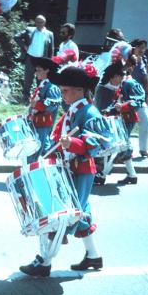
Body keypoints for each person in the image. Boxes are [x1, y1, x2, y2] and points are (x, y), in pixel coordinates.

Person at [20, 64, 109, 277]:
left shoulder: (90, 112)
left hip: (81, 171)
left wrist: (74, 144)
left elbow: (98, 144)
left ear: (80, 90)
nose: (62, 95)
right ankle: (93, 256)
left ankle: (44, 262)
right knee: (80, 212)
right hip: (69, 169)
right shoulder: (73, 109)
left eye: (65, 91)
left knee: (61, 216)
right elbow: (58, 135)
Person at [103, 59, 145, 185]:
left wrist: (123, 106)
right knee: (122, 146)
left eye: (111, 79)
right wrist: (109, 110)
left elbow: (139, 99)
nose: (110, 82)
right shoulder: (121, 84)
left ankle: (103, 173)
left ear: (117, 76)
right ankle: (132, 175)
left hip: (128, 119)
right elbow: (116, 103)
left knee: (119, 146)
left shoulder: (129, 83)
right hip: (121, 119)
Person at [27, 57, 61, 162]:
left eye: (39, 70)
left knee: (36, 150)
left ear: (47, 70)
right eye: (36, 70)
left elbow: (52, 105)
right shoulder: (42, 85)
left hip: (43, 124)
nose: (36, 73)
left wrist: (36, 104)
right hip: (35, 123)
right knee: (40, 149)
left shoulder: (52, 87)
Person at [14, 15, 54, 102]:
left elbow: (51, 49)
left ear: (45, 23)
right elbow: (16, 37)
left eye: (41, 22)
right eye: (38, 22)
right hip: (30, 58)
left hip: (42, 60)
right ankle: (25, 97)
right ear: (35, 22)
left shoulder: (49, 34)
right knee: (28, 78)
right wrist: (23, 45)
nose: (39, 24)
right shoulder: (29, 30)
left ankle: (39, 98)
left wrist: (50, 63)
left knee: (41, 80)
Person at [131, 38, 148, 158]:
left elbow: (145, 79)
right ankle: (122, 152)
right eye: (140, 47)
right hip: (127, 95)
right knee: (127, 125)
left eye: (144, 47)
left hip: (140, 96)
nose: (142, 50)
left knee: (146, 122)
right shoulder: (128, 59)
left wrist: (147, 95)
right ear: (134, 47)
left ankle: (144, 150)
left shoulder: (144, 60)